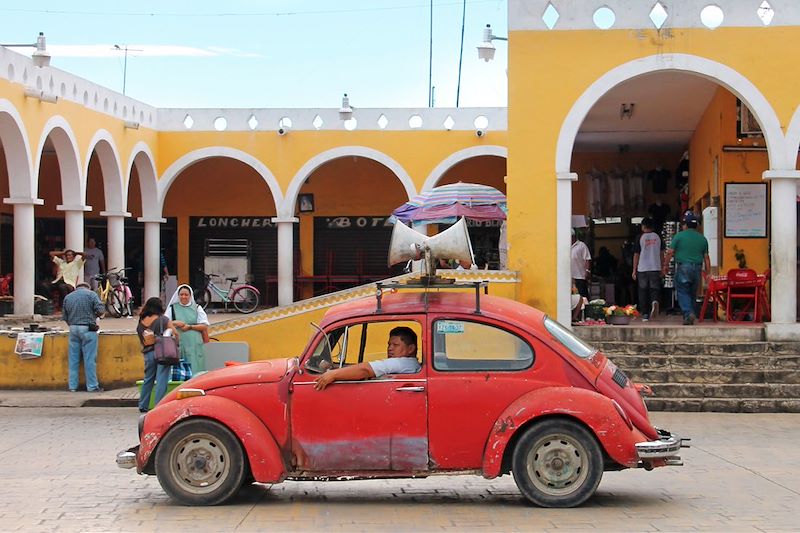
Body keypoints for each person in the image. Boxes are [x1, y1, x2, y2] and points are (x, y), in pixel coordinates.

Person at [314, 326, 420, 391]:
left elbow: (365, 370)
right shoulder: (410, 363)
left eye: (395, 345)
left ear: (410, 349)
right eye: (389, 344)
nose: (390, 348)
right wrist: (335, 367)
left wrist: (333, 374)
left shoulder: (402, 363)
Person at [663, 211, 710, 325]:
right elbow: (706, 258)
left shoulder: (679, 236)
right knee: (692, 293)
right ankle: (689, 315)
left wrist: (665, 266)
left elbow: (670, 252)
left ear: (686, 225)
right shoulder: (702, 239)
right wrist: (708, 273)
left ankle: (688, 313)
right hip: (697, 269)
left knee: (683, 291)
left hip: (684, 267)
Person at [137, 297, 179, 412]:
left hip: (148, 353)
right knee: (161, 379)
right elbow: (175, 333)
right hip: (162, 353)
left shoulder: (142, 320)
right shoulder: (164, 319)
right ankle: (158, 405)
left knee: (148, 379)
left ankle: (143, 405)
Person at [61, 282, 105, 392]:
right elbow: (101, 310)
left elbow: (64, 316)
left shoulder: (68, 297)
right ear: (87, 287)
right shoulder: (92, 295)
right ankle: (92, 386)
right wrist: (95, 315)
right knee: (89, 359)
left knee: (73, 359)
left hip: (73, 328)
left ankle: (72, 386)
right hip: (88, 329)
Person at [165, 284, 209, 373]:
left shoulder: (197, 308)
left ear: (190, 296)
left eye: (186, 295)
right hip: (179, 342)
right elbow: (164, 323)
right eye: (181, 294)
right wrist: (175, 322)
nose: (183, 297)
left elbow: (204, 325)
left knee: (196, 366)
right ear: (178, 296)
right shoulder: (172, 308)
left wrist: (190, 327)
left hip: (195, 343)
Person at [632, 217, 664, 321]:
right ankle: (654, 301)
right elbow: (661, 253)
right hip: (655, 267)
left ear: (643, 226)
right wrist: (663, 267)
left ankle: (645, 314)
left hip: (642, 268)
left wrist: (634, 270)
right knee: (654, 288)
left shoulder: (639, 238)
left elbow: (636, 254)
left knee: (643, 291)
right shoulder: (658, 237)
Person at [570, 229, 592, 300]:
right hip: (569, 277)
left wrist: (587, 271)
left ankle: (585, 310)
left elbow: (587, 259)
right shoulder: (566, 246)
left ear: (573, 236)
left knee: (583, 296)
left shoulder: (581, 245)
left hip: (580, 276)